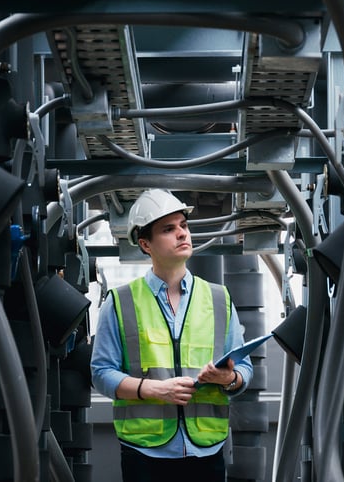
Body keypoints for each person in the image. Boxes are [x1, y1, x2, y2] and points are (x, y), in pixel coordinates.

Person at [90, 188, 253, 482]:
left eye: (184, 225)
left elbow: (244, 370)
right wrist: (156, 390)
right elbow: (101, 373)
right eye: (168, 229)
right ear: (145, 244)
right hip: (145, 453)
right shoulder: (120, 302)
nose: (182, 234)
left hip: (207, 450)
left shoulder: (219, 298)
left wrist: (228, 379)